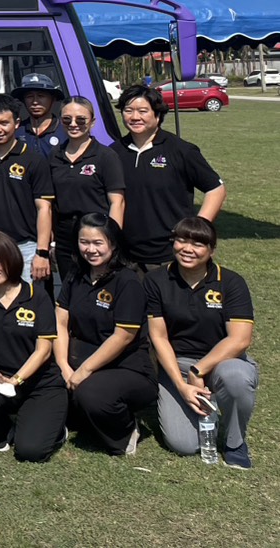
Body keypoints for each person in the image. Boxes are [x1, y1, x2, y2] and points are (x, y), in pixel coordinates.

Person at [145, 216, 257, 469]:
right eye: (181, 241)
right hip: (177, 365)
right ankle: (206, 405)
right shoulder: (156, 280)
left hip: (222, 362)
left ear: (211, 250)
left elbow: (240, 339)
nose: (187, 249)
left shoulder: (231, 282)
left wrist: (199, 370)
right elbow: (159, 337)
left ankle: (235, 442)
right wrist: (181, 384)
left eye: (197, 244)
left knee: (236, 377)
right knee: (184, 445)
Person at [54, 214, 156, 456]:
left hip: (124, 367)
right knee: (44, 380)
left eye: (97, 243)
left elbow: (123, 336)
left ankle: (125, 431)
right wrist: (63, 366)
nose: (90, 249)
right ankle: (75, 420)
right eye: (84, 242)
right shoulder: (76, 274)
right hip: (76, 360)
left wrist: (84, 371)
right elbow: (60, 321)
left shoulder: (128, 281)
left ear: (113, 243)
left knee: (90, 394)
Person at [0, 229, 66, 461]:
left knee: (30, 451)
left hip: (40, 384)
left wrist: (16, 380)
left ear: (10, 256)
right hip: (0, 380)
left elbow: (44, 350)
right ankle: (2, 432)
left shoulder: (37, 296)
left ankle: (56, 430)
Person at [116, 84, 225, 272]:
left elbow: (216, 189)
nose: (135, 117)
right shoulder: (114, 152)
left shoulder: (181, 150)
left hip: (169, 257)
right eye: (128, 110)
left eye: (143, 111)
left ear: (157, 114)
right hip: (125, 257)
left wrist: (195, 231)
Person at [0, 95, 54, 287]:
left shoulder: (34, 160)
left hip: (25, 247)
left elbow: (44, 209)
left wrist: (41, 252)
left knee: (26, 302)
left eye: (4, 123)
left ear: (16, 123)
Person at [48, 97, 125, 285]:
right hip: (66, 236)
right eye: (67, 119)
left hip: (96, 233)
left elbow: (117, 202)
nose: (73, 124)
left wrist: (111, 239)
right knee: (70, 288)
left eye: (81, 119)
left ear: (92, 122)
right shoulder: (54, 155)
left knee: (99, 287)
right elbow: (50, 203)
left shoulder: (106, 156)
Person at [13, 73, 67, 158]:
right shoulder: (16, 131)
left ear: (53, 99)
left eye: (41, 96)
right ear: (23, 100)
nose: (35, 102)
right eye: (29, 96)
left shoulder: (65, 131)